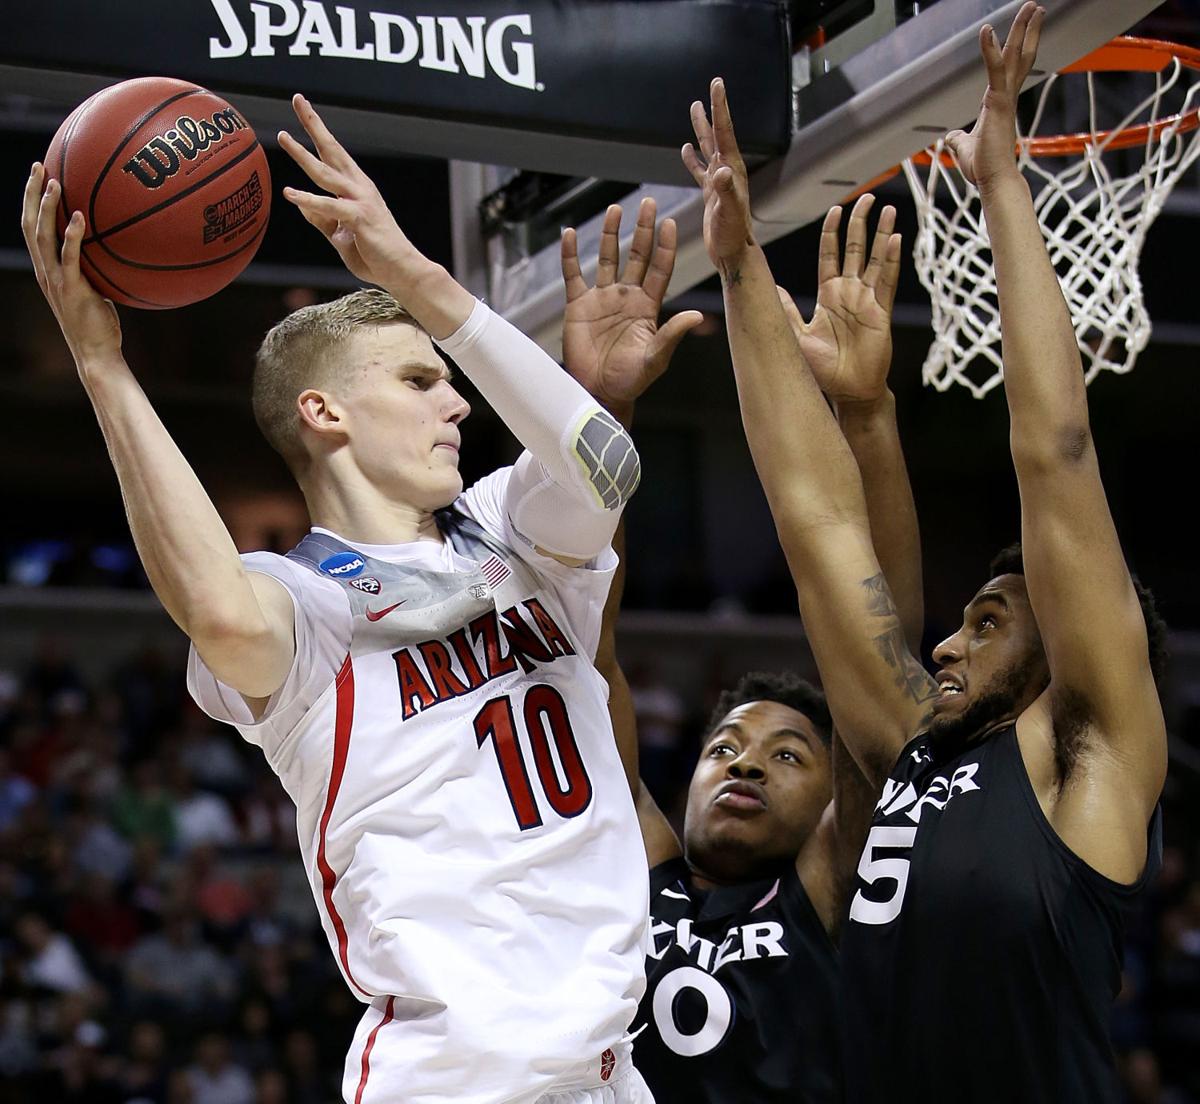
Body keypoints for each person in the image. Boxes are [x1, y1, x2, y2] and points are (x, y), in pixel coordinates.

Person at [21, 92, 699, 1104]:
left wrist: (418, 279)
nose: (458, 399)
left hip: (610, 1070)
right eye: (420, 379)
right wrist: (102, 364)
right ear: (324, 410)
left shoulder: (517, 531)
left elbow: (605, 462)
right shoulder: (302, 606)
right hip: (453, 1081)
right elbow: (214, 609)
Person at [683, 5, 1167, 1100]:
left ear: (1066, 646)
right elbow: (815, 524)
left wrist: (1002, 186)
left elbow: (1054, 450)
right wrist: (740, 266)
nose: (948, 639)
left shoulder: (1088, 758)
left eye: (992, 622)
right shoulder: (913, 749)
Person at [581, 203, 919, 1101]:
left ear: (827, 804)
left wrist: (864, 411)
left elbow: (883, 653)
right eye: (726, 747)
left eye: (787, 755)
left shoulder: (830, 886)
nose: (746, 765)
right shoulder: (641, 869)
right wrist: (604, 411)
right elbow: (591, 656)